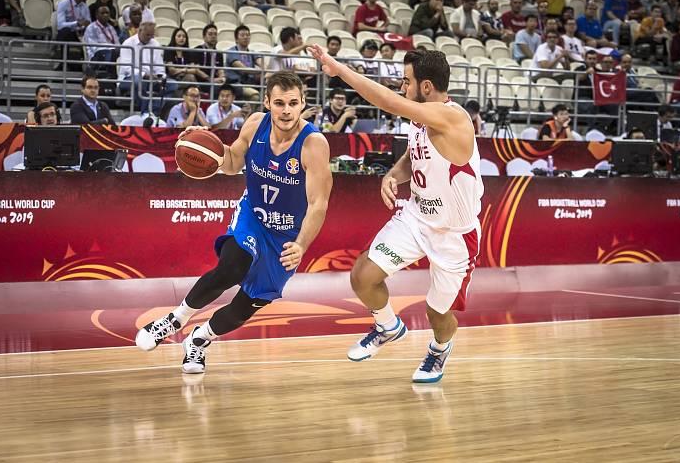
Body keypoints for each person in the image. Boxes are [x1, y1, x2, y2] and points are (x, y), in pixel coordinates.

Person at [135, 71, 333, 376]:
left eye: (293, 103)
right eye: (279, 102)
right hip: (253, 216)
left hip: (287, 234)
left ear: (303, 103)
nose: (286, 110)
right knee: (234, 266)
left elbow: (318, 203)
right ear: (267, 102)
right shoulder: (255, 124)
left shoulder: (313, 144)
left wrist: (302, 244)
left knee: (245, 306)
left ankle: (198, 340)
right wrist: (204, 146)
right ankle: (174, 319)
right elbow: (230, 163)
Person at [307, 45, 483, 384]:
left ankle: (439, 349)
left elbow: (388, 101)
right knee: (362, 275)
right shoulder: (420, 119)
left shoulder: (453, 117)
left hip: (454, 235)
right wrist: (392, 175)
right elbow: (414, 157)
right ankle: (388, 326)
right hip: (416, 217)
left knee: (438, 313)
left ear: (426, 87)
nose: (403, 87)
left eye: (406, 81)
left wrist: (339, 70)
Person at [117, 20, 177, 115]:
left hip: (152, 79)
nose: (149, 38)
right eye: (147, 35)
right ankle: (145, 112)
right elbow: (126, 68)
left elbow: (159, 67)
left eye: (151, 35)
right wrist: (145, 75)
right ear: (140, 31)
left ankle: (153, 110)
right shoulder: (128, 43)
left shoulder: (155, 44)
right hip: (128, 78)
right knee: (138, 80)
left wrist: (160, 76)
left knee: (173, 84)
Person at [55, 0, 92, 66]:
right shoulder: (63, 4)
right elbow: (60, 25)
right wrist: (76, 23)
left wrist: (86, 23)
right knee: (65, 32)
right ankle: (63, 63)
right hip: (69, 32)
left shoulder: (84, 6)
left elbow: (88, 21)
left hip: (81, 33)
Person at [226, 25, 264, 101]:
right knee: (255, 96)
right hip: (236, 84)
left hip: (251, 83)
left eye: (247, 35)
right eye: (242, 35)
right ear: (236, 39)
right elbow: (243, 69)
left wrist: (262, 69)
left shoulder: (252, 52)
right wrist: (260, 71)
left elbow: (262, 64)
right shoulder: (231, 52)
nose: (245, 37)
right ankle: (249, 113)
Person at [83, 5, 120, 76]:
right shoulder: (91, 27)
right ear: (97, 15)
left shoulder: (111, 27)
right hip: (97, 55)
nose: (105, 15)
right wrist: (111, 48)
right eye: (102, 13)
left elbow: (117, 43)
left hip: (112, 52)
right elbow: (93, 47)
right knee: (114, 52)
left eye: (107, 13)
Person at [193, 23, 226, 100]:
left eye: (215, 34)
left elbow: (220, 69)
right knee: (216, 89)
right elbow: (196, 70)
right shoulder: (197, 50)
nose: (213, 36)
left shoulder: (218, 53)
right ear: (204, 37)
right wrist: (210, 79)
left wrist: (222, 78)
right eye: (210, 34)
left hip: (215, 81)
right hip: (202, 82)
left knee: (235, 89)